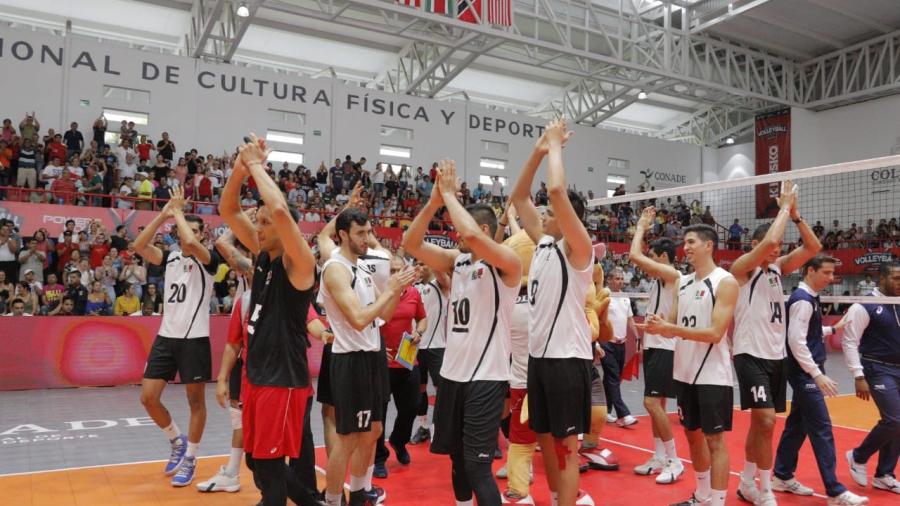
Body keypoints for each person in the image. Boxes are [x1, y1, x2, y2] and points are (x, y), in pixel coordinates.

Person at [403, 159, 522, 506]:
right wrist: (433, 201)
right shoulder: (457, 262)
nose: (457, 234)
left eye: (464, 228)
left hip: (486, 379)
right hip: (453, 376)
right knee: (456, 460)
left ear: (484, 230)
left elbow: (468, 234)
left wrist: (451, 195)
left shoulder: (507, 265)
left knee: (478, 467)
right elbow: (411, 243)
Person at [219, 134, 321, 506]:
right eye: (257, 222)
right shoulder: (263, 254)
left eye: (263, 222)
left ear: (287, 229)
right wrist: (240, 168)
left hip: (284, 379)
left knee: (271, 467)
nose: (258, 227)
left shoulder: (300, 264)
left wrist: (258, 166)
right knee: (256, 461)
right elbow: (228, 209)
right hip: (257, 374)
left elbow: (279, 211)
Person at [507, 119, 595, 506]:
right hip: (539, 361)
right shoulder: (543, 244)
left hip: (567, 360)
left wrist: (557, 146)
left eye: (550, 211)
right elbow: (519, 195)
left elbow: (556, 189)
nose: (542, 213)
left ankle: (568, 501)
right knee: (542, 436)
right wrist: (539, 150)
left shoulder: (580, 248)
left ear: (568, 217)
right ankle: (563, 498)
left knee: (565, 448)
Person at [729, 181, 822, 504]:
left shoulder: (778, 268)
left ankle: (745, 481)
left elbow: (813, 248)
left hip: (775, 355)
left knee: (762, 425)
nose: (778, 248)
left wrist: (795, 216)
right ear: (754, 245)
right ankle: (766, 490)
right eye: (774, 244)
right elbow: (770, 238)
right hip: (749, 354)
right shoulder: (741, 269)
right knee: (766, 420)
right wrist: (782, 206)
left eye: (781, 246)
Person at [318, 207, 415, 506]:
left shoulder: (361, 268)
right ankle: (334, 500)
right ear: (343, 235)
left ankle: (359, 494)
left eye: (369, 232)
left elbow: (382, 315)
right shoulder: (336, 268)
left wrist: (398, 289)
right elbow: (359, 318)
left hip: (372, 357)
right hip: (352, 359)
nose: (367, 239)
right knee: (349, 438)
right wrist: (392, 290)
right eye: (360, 233)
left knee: (373, 430)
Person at [639, 224, 739, 506]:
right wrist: (658, 326)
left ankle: (718, 502)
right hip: (684, 373)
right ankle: (702, 496)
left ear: (709, 245)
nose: (687, 247)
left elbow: (715, 333)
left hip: (712, 376)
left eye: (692, 242)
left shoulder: (725, 281)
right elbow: (672, 324)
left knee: (714, 441)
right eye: (685, 242)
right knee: (693, 436)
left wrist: (673, 329)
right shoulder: (682, 283)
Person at [134, 185, 220, 487]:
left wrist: (180, 213)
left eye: (194, 231)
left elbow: (190, 241)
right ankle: (176, 441)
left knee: (196, 402)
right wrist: (164, 214)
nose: (186, 235)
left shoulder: (209, 261)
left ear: (201, 235)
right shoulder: (170, 258)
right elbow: (138, 246)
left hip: (195, 339)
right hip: (166, 337)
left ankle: (192, 458)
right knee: (148, 397)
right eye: (185, 229)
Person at [773, 255, 868, 505]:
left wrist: (834, 329)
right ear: (809, 270)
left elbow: (808, 332)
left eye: (832, 273)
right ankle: (835, 491)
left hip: (807, 370)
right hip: (804, 372)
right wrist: (817, 374)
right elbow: (796, 342)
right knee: (822, 428)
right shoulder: (803, 301)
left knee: (798, 425)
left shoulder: (810, 298)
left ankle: (781, 475)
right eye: (825, 273)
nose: (830, 278)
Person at [628, 207, 684, 484]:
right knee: (658, 402)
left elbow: (634, 256)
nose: (648, 263)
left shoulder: (672, 276)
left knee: (651, 402)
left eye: (653, 258)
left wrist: (641, 226)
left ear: (663, 258)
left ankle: (675, 460)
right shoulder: (659, 282)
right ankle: (659, 456)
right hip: (654, 345)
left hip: (665, 347)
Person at [843, 261, 900, 495]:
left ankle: (884, 474)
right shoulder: (864, 305)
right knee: (895, 419)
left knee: (899, 424)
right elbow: (849, 341)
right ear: (882, 279)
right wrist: (858, 375)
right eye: (896, 278)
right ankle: (858, 456)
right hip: (877, 368)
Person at [373, 256, 428, 477]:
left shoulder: (414, 293)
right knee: (380, 414)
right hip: (382, 364)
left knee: (411, 407)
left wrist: (419, 332)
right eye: (392, 270)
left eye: (399, 269)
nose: (396, 273)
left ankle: (398, 440)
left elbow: (422, 319)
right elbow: (365, 322)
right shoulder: (378, 294)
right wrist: (376, 348)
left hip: (407, 361)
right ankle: (378, 458)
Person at [410, 260, 450, 445]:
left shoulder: (440, 283)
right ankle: (423, 426)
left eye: (423, 263)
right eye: (417, 263)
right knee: (419, 389)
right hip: (415, 347)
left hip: (437, 346)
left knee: (441, 390)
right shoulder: (415, 287)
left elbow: (440, 272)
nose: (420, 267)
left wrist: (429, 257)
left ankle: (439, 428)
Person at [602, 267, 639, 427]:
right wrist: (597, 343)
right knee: (613, 377)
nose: (620, 281)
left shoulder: (625, 297)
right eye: (617, 278)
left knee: (612, 379)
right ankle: (623, 415)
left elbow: (630, 319)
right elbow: (597, 318)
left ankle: (605, 411)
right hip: (606, 344)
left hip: (621, 345)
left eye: (622, 278)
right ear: (609, 280)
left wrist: (637, 336)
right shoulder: (604, 295)